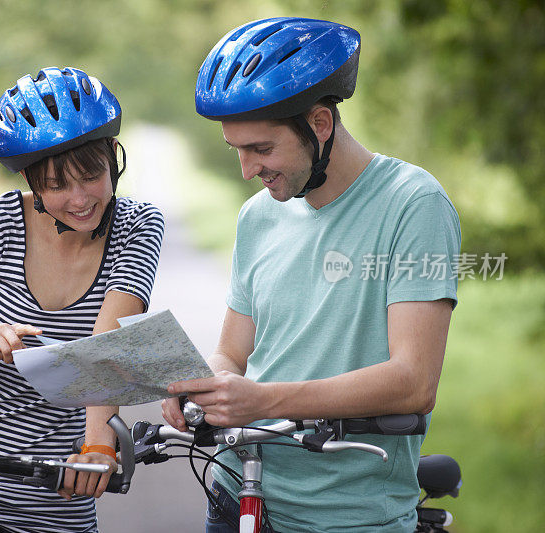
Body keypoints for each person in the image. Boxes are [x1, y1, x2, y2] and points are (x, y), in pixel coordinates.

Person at [162, 17, 460, 532]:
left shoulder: (415, 204)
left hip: (347, 516)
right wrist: (209, 385)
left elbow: (413, 382)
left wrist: (263, 399)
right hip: (238, 492)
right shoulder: (257, 215)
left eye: (261, 149)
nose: (247, 170)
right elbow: (233, 352)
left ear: (319, 124)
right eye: (237, 150)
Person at [0, 66, 164, 533]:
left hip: (53, 506)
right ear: (33, 184)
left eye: (92, 176)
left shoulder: (137, 227)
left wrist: (98, 446)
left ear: (114, 158)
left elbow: (107, 349)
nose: (80, 199)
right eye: (58, 185)